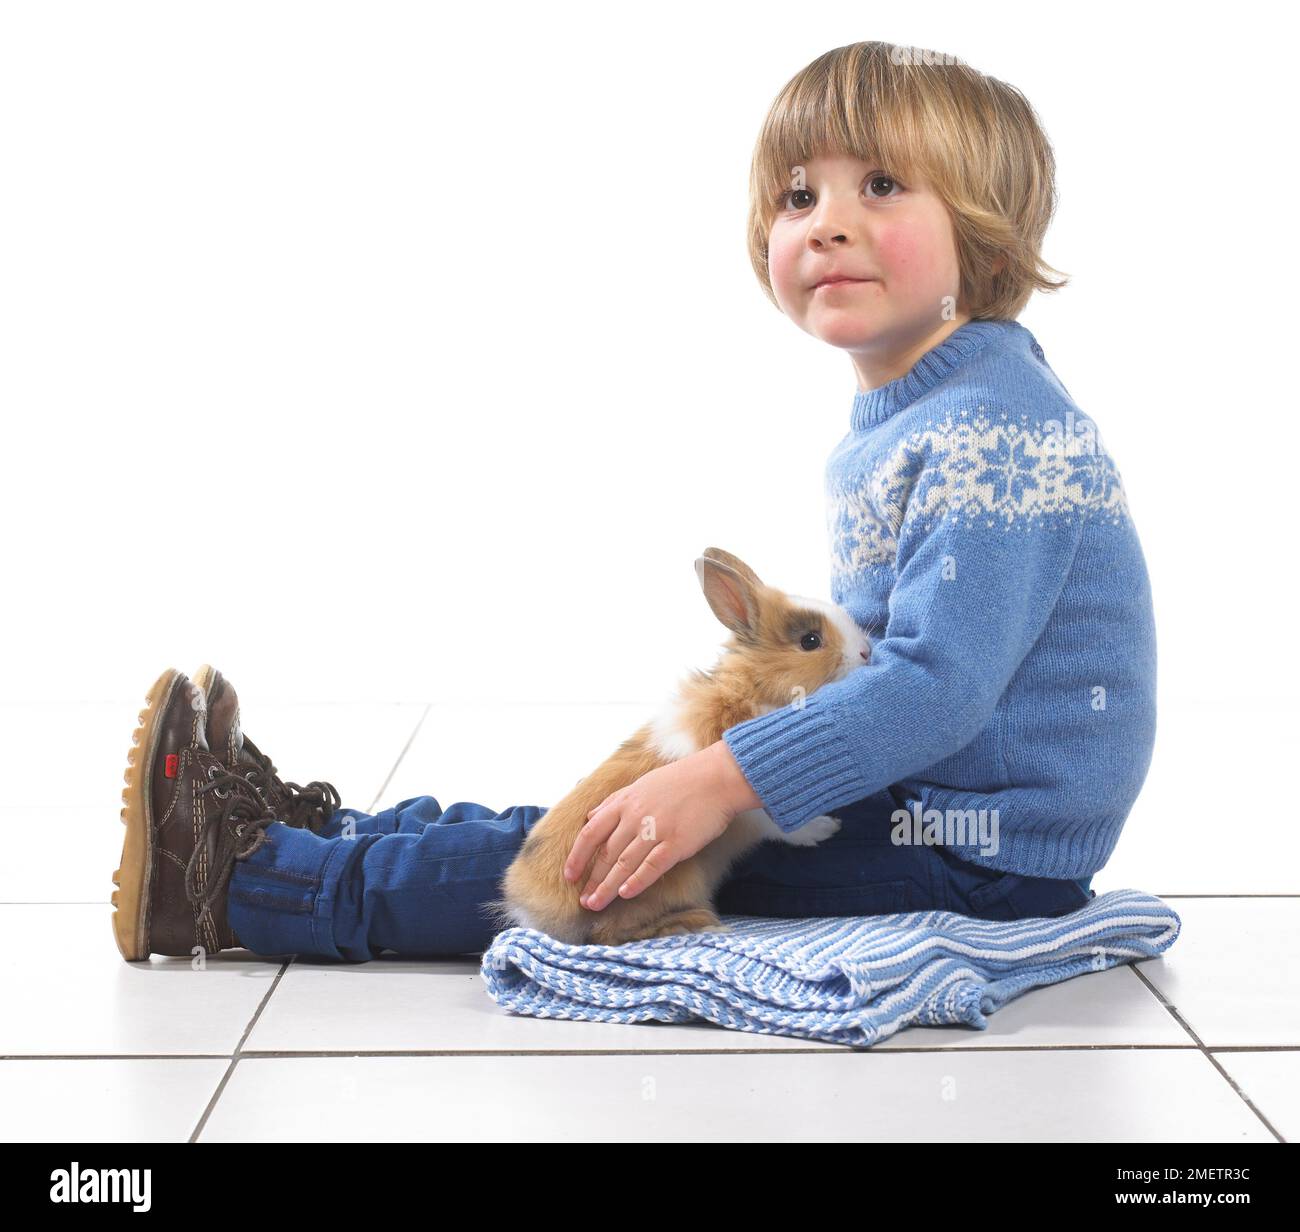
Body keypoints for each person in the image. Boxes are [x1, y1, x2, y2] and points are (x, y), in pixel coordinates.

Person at [111, 40, 1152, 964]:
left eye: (879, 185)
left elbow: (936, 690)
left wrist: (714, 782)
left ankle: (246, 883)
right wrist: (709, 771)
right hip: (926, 809)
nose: (827, 224)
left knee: (609, 855)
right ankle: (332, 833)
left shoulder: (994, 428)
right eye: (798, 198)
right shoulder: (920, 412)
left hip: (977, 851)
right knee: (587, 811)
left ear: (986, 233)